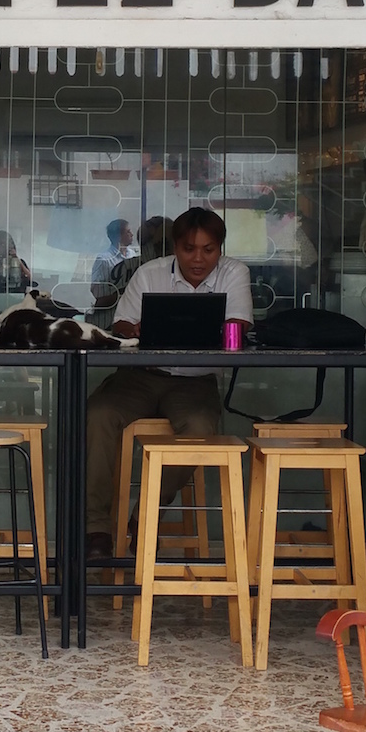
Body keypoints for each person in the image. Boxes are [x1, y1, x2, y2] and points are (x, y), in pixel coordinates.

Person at [84, 206, 253, 558]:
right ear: (175, 247)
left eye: (208, 250)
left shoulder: (235, 273)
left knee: (201, 426)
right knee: (99, 413)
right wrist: (136, 330)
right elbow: (120, 325)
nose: (198, 259)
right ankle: (95, 528)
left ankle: (144, 513)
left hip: (195, 380)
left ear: (220, 249)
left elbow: (240, 324)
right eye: (189, 249)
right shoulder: (149, 273)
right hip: (140, 376)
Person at [0, 229, 33, 294]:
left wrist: (16, 259)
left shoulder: (19, 263)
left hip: (19, 301)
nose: (3, 248)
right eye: (0, 245)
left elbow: (30, 279)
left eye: (4, 245)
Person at [89, 218, 135, 285]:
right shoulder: (103, 260)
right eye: (128, 232)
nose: (132, 234)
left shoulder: (132, 254)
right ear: (119, 236)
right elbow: (95, 287)